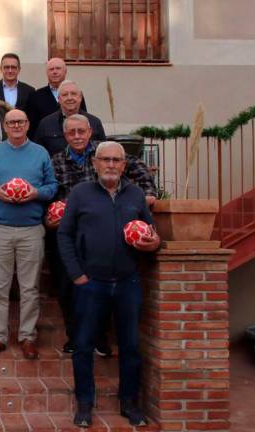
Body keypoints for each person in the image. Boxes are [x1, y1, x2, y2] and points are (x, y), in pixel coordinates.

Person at [57, 141, 160, 428]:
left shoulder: (136, 194)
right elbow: (64, 236)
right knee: (83, 346)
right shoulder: (80, 194)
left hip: (127, 283)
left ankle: (129, 403)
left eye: (117, 160)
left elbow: (151, 231)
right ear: (95, 163)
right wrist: (77, 274)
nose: (111, 165)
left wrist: (155, 242)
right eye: (105, 159)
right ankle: (85, 404)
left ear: (124, 165)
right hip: (91, 284)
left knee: (130, 347)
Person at [47, 114, 156, 355]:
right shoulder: (56, 160)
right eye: (71, 132)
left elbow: (138, 167)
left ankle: (100, 339)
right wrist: (52, 212)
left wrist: (147, 193)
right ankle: (74, 337)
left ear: (89, 132)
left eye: (81, 131)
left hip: (101, 229)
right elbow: (50, 189)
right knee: (69, 288)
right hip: (70, 231)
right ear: (65, 136)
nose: (77, 136)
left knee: (103, 290)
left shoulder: (106, 153)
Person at [0, 110, 58, 360]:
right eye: (11, 122)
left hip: (31, 230)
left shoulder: (40, 153)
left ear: (28, 124)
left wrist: (35, 193)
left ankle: (27, 337)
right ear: (5, 126)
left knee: (30, 287)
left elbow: (52, 186)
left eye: (21, 121)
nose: (16, 126)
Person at [35, 80, 106, 157]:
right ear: (59, 99)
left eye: (73, 94)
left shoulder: (95, 122)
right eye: (65, 95)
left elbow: (104, 152)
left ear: (80, 97)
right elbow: (38, 155)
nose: (69, 98)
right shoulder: (45, 124)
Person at [27, 58, 87, 137]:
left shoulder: (75, 94)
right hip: (47, 142)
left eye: (58, 68)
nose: (55, 72)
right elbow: (32, 127)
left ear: (65, 71)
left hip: (74, 139)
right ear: (47, 73)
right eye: (51, 69)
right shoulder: (36, 96)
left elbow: (83, 117)